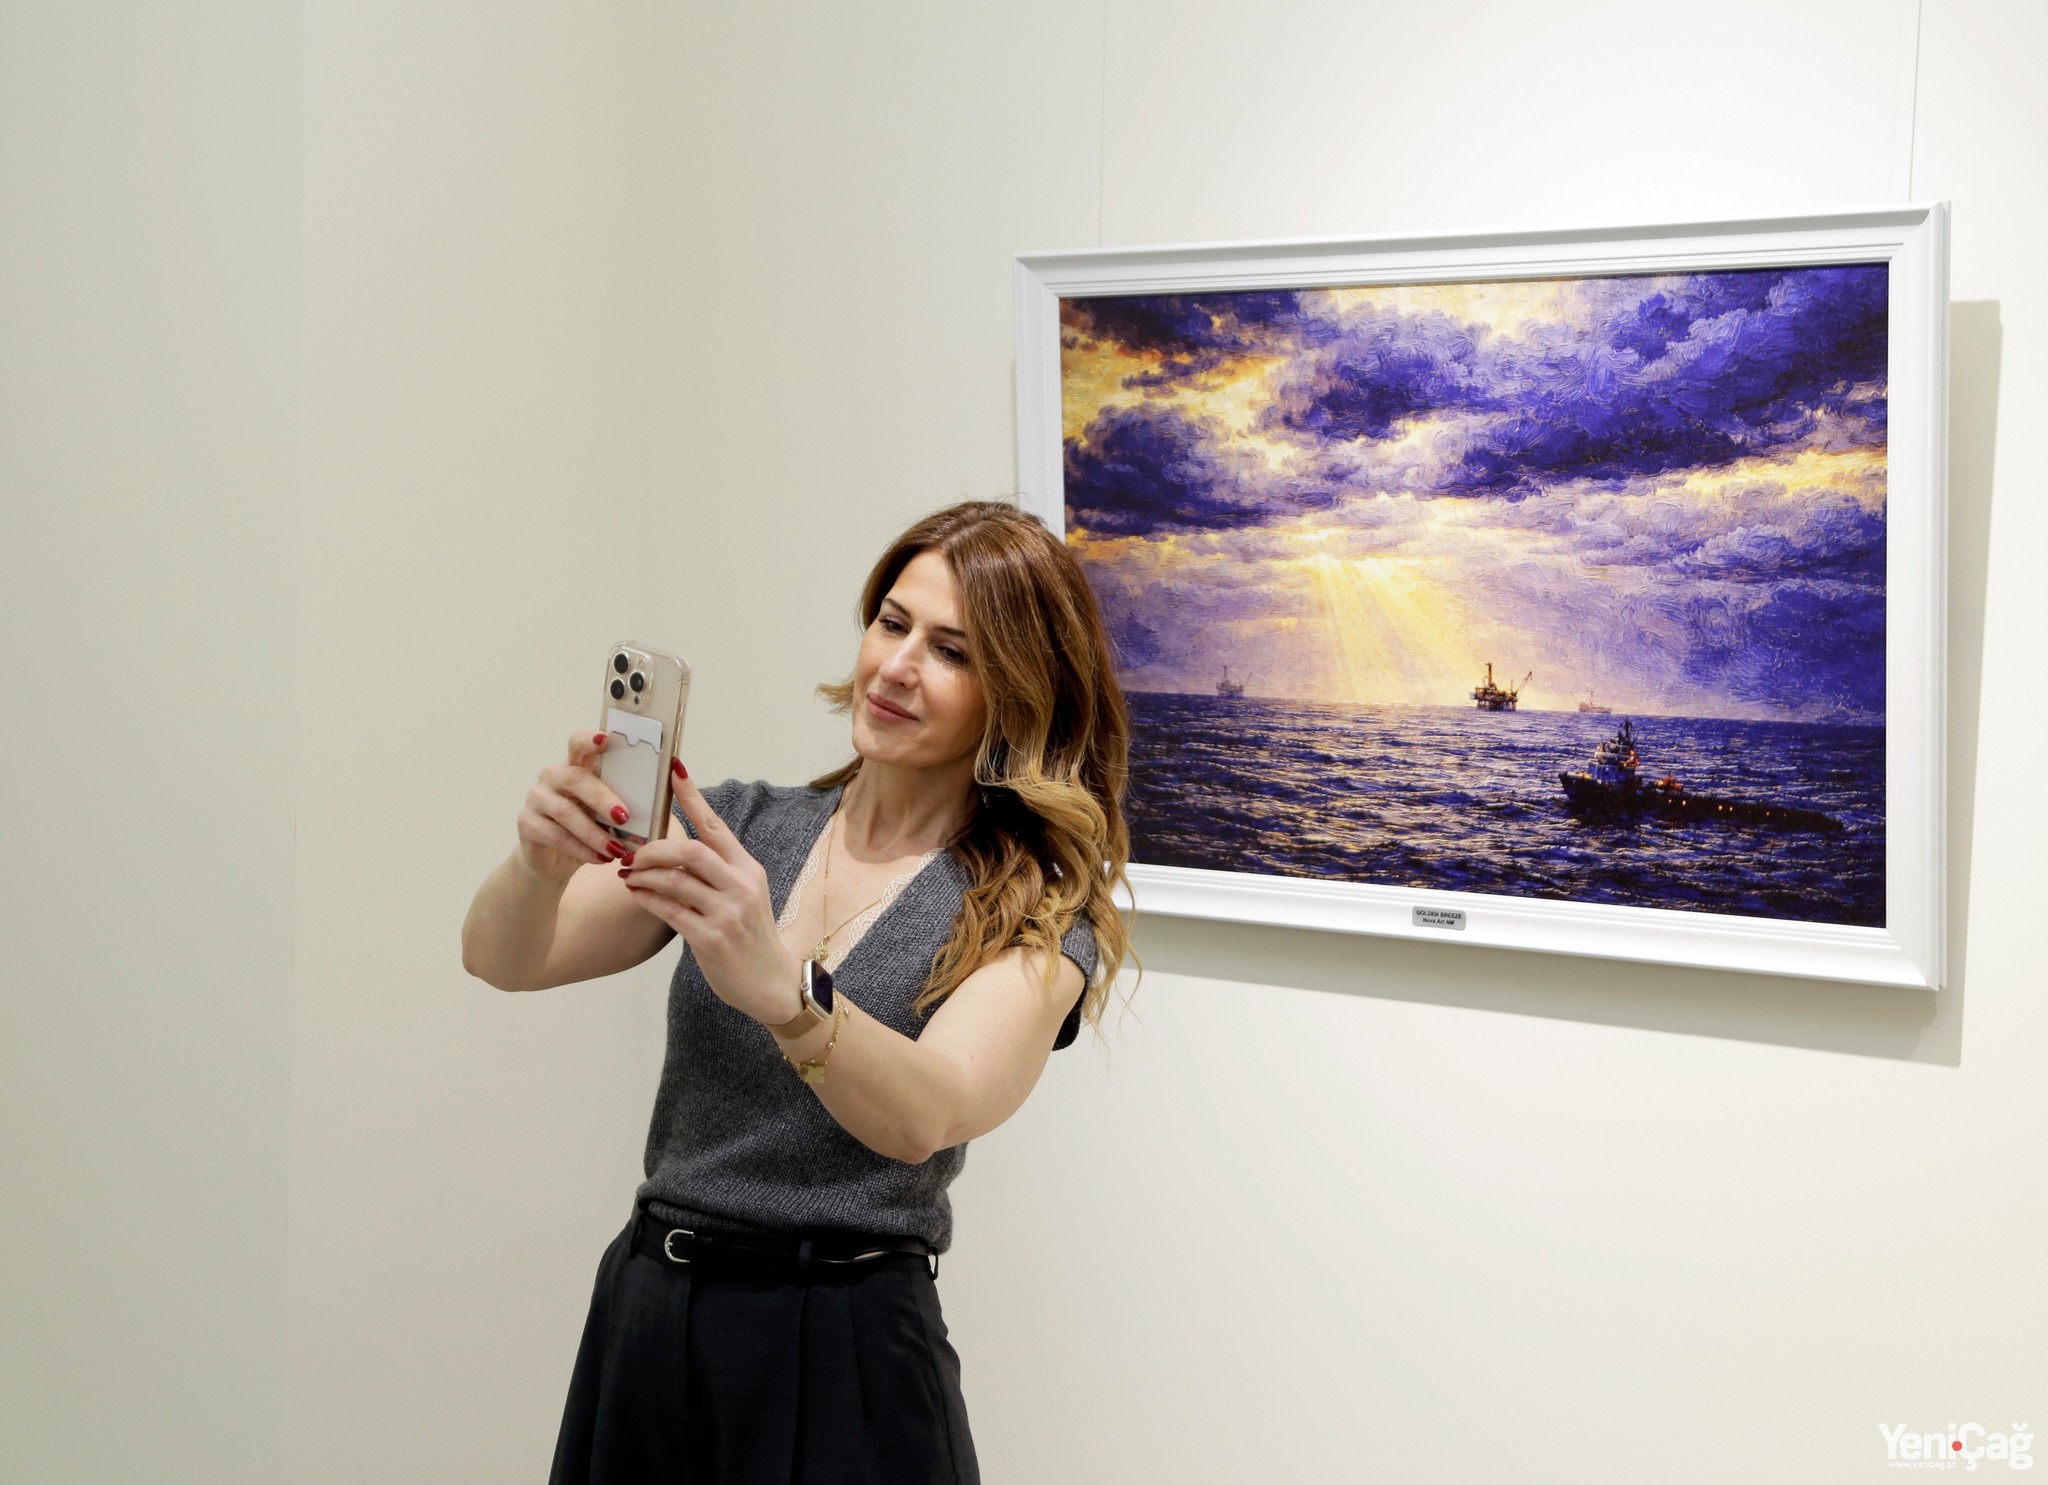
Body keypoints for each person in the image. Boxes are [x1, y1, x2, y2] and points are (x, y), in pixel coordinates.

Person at [460, 500, 1132, 1484]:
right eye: (891, 623)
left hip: (845, 1344)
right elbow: (503, 957)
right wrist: (537, 863)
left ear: (1019, 693)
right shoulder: (742, 827)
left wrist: (786, 992)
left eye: (952, 651)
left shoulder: (1033, 911)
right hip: (651, 1314)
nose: (897, 666)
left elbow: (930, 1113)